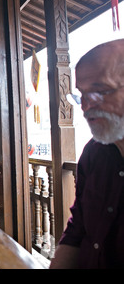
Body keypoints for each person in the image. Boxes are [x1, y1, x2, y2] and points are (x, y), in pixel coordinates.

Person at [50, 39, 124, 269]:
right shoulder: (94, 153)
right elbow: (78, 228)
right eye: (82, 94)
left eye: (100, 91)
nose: (85, 106)